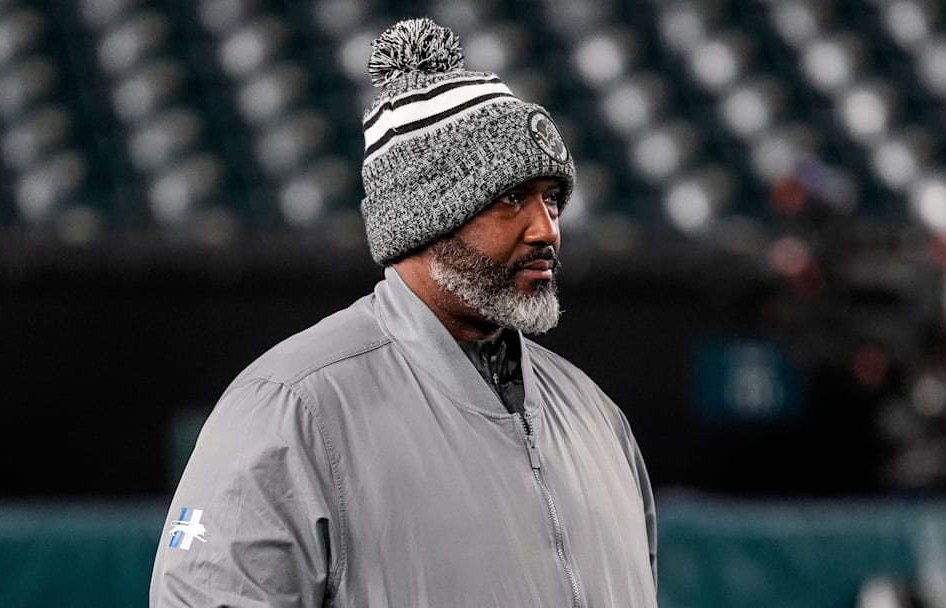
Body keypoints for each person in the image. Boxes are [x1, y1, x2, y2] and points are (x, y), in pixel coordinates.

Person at [150, 17, 657, 608]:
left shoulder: (597, 414)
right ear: (425, 217)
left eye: (551, 199)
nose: (546, 229)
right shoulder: (292, 406)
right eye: (511, 198)